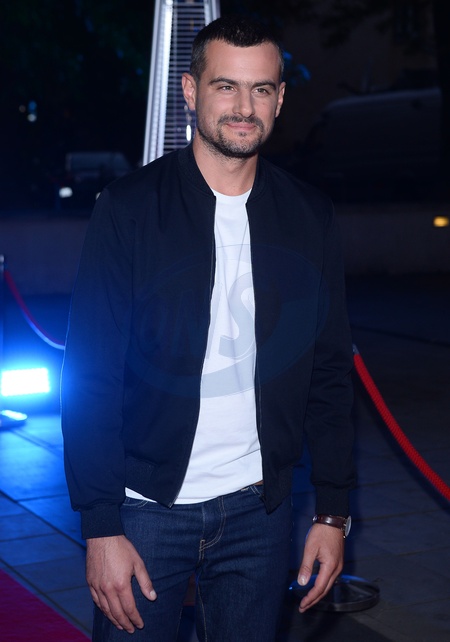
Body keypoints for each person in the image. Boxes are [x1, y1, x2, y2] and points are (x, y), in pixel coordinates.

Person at [61, 14, 355, 642]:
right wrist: (100, 525)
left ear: (279, 98)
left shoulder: (308, 215)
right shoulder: (129, 209)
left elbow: (329, 371)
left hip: (260, 511)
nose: (245, 107)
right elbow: (89, 374)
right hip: (144, 510)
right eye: (227, 86)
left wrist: (333, 511)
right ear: (191, 92)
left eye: (261, 89)